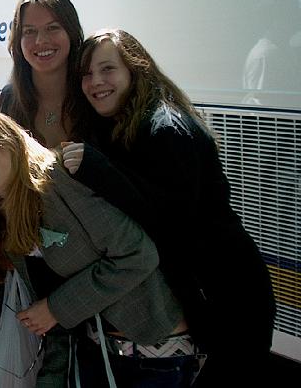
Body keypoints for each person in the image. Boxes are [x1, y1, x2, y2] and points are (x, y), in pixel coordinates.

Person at [63, 29, 276, 387]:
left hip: (233, 301)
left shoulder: (166, 129)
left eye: (107, 69)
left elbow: (172, 224)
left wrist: (99, 171)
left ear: (135, 70)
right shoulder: (126, 125)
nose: (95, 81)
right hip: (212, 298)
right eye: (86, 74)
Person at [0, 109, 197, 387]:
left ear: (11, 142)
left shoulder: (57, 179)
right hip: (95, 354)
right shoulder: (5, 214)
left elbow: (137, 255)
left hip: (153, 354)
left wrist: (55, 308)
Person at [0, 0, 84, 148]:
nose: (41, 41)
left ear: (71, 32)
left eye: (52, 28)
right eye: (29, 31)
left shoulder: (94, 100)